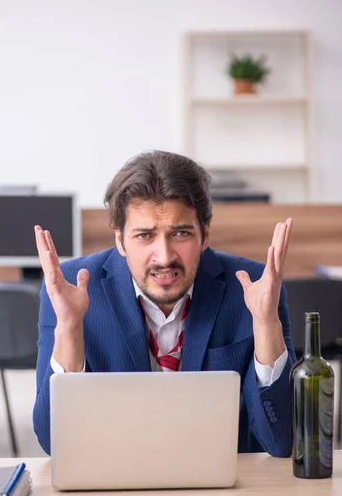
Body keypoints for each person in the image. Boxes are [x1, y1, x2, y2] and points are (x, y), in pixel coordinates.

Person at [33, 150, 295, 456]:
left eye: (181, 233)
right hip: (117, 481)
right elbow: (54, 444)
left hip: (222, 487)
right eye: (145, 235)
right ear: (119, 240)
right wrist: (68, 327)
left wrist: (265, 326)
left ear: (205, 234)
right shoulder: (71, 287)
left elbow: (281, 441)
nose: (165, 256)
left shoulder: (253, 286)